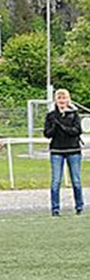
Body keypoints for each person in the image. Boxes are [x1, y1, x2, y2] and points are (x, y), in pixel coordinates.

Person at [44, 88, 83, 216]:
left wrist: (63, 126)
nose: (62, 101)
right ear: (56, 100)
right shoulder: (51, 116)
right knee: (56, 181)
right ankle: (55, 209)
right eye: (59, 98)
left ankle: (79, 206)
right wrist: (54, 126)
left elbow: (76, 131)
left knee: (76, 181)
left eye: (64, 98)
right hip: (57, 150)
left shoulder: (74, 114)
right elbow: (47, 134)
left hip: (73, 150)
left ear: (68, 100)